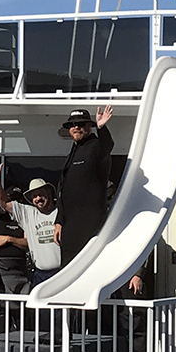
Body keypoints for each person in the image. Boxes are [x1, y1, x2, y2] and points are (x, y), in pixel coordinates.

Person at [0, 149, 60, 286]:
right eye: (34, 196)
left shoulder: (61, 211)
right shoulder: (28, 213)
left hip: (63, 272)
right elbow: (4, 202)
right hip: (40, 275)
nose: (37, 198)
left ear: (49, 193)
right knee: (39, 308)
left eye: (41, 194)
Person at [54, 104, 114, 266]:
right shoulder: (73, 151)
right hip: (69, 226)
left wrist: (101, 127)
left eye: (81, 124)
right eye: (73, 125)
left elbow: (107, 146)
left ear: (89, 127)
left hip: (89, 224)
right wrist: (59, 221)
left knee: (85, 267)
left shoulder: (96, 146)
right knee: (67, 269)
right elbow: (63, 190)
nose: (76, 127)